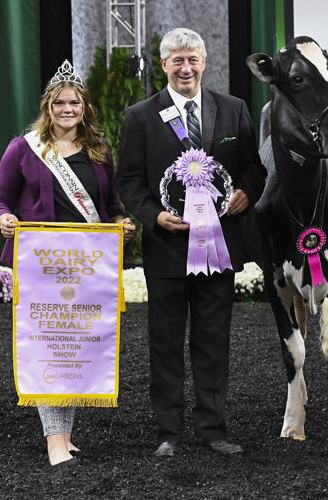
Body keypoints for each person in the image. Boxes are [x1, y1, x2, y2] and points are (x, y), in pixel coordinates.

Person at [115, 28, 265, 458]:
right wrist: (153, 216)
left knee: (213, 341)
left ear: (204, 62)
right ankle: (168, 432)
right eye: (177, 60)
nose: (185, 68)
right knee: (164, 343)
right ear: (164, 65)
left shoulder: (233, 109)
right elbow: (129, 180)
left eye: (192, 59)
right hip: (166, 250)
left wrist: (246, 193)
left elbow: (253, 168)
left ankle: (213, 429)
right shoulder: (140, 116)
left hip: (218, 250)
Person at [0, 60, 136, 466]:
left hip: (86, 266)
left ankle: (65, 436)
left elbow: (110, 207)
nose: (67, 109)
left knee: (75, 349)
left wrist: (121, 224)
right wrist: (4, 219)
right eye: (60, 103)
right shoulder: (24, 148)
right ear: (48, 106)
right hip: (41, 266)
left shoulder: (99, 149)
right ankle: (54, 440)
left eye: (74, 102)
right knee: (48, 347)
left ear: (84, 107)